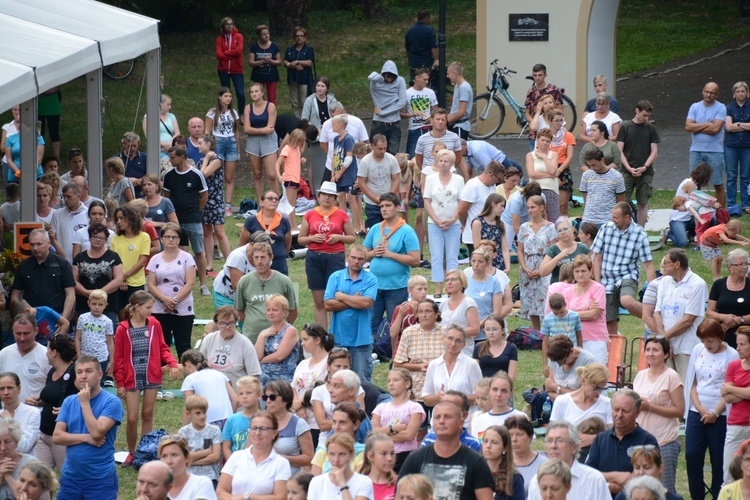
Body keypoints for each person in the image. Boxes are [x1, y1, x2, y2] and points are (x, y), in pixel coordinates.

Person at [114, 291, 180, 468]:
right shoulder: (122, 329)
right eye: (148, 307)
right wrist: (120, 383)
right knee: (133, 418)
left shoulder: (154, 324)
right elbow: (118, 358)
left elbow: (163, 347)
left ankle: (144, 450)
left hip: (151, 374)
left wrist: (172, 363)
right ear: (137, 307)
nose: (152, 311)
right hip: (131, 377)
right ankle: (131, 452)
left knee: (147, 414)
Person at [53, 356, 123, 499]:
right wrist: (86, 438)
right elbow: (57, 437)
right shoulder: (69, 401)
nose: (83, 376)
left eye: (88, 371)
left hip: (100, 479)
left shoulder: (112, 402)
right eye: (79, 372)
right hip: (70, 478)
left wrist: (85, 403)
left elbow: (97, 433)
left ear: (100, 375)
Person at [682, 319, 738, 498]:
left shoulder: (732, 355)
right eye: (704, 340)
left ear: (719, 338)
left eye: (710, 341)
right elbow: (692, 382)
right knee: (692, 456)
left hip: (721, 414)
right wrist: (699, 408)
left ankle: (717, 494)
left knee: (718, 460)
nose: (707, 345)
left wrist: (715, 412)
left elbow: (730, 387)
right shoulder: (698, 350)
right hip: (696, 412)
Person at [400, 400, 494, 499]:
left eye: (448, 416)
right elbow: (399, 495)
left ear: (461, 422)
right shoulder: (415, 459)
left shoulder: (476, 462)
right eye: (437, 417)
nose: (441, 421)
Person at [298, 181, 356, 328]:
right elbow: (300, 239)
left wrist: (339, 237)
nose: (327, 198)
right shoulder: (310, 214)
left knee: (334, 299)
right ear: (319, 196)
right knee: (319, 301)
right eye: (324, 194)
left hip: (335, 256)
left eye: (330, 195)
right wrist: (312, 238)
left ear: (335, 198)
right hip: (314, 258)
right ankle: (322, 335)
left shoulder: (341, 214)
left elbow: (352, 237)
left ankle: (335, 334)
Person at [592, 201, 656, 335]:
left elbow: (648, 265)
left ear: (627, 217)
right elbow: (597, 258)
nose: (612, 219)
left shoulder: (640, 235)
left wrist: (653, 290)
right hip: (606, 279)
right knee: (610, 323)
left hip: (627, 275)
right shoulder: (605, 229)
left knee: (627, 301)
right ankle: (613, 352)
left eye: (615, 217)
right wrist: (597, 283)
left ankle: (651, 317)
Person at [632, 336, 684, 493]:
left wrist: (650, 407)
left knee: (664, 489)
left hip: (664, 440)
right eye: (648, 350)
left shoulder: (671, 376)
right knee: (640, 488)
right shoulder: (640, 375)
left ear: (666, 354)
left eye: (655, 350)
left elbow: (679, 411)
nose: (650, 353)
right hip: (640, 440)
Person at [363, 193, 420, 336]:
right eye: (381, 206)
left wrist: (390, 255)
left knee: (395, 324)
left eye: (388, 206)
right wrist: (373, 253)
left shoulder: (406, 231)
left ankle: (394, 354)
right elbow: (363, 255)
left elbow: (415, 259)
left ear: (397, 207)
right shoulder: (376, 228)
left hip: (396, 287)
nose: (384, 209)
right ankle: (371, 352)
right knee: (370, 323)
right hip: (374, 285)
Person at [324, 244, 378, 382]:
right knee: (336, 379)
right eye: (353, 257)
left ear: (365, 260)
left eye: (360, 259)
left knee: (361, 380)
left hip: (362, 340)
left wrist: (342, 297)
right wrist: (355, 299)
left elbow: (366, 303)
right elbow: (328, 304)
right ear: (347, 257)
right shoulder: (335, 277)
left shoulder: (371, 279)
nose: (356, 261)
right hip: (338, 338)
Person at [651, 248, 707, 381]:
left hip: (686, 347)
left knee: (686, 387)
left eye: (666, 263)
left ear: (677, 264)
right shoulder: (664, 281)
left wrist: (663, 339)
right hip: (665, 345)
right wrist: (663, 339)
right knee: (666, 386)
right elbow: (657, 312)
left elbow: (688, 320)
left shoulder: (697, 284)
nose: (662, 266)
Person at [163, 146, 209, 295]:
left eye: (173, 157)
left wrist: (195, 210)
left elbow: (204, 197)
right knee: (177, 252)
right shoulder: (169, 175)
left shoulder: (196, 175)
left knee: (199, 251)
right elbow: (166, 197)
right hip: (174, 221)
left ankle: (203, 285)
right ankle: (179, 282)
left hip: (192, 219)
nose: (170, 160)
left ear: (182, 157)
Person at [146, 223, 196, 360]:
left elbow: (190, 283)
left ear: (179, 239)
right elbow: (151, 284)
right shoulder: (155, 259)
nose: (170, 240)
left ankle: (188, 372)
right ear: (162, 239)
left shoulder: (187, 258)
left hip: (183, 305)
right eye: (167, 236)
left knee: (183, 342)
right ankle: (159, 373)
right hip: (159, 306)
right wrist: (164, 299)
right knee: (161, 342)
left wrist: (175, 300)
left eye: (174, 237)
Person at [234, 242, 298, 343]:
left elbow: (293, 310)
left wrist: (283, 328)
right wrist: (251, 324)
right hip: (251, 338)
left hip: (278, 339)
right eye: (256, 257)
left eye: (263, 257)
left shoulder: (284, 281)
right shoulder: (244, 281)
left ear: (271, 257)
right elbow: (239, 310)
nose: (259, 261)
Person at [526, 421, 609, 499]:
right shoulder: (537, 481)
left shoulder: (594, 480)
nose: (553, 446)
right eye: (549, 441)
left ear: (574, 447)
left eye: (560, 441)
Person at [423, 149, 464, 296]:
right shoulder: (430, 179)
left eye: (446, 161)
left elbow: (461, 201)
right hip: (434, 223)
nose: (443, 164)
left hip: (453, 223)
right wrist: (435, 219)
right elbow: (427, 200)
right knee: (436, 255)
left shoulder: (458, 180)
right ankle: (438, 286)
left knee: (452, 256)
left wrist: (453, 219)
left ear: (452, 163)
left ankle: (451, 286)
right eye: (440, 161)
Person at [35, 334, 77, 469]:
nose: (46, 353)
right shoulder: (52, 371)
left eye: (47, 350)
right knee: (40, 481)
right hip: (44, 434)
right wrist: (37, 401)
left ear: (54, 352)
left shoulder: (75, 372)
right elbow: (51, 397)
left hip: (62, 437)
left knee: (68, 478)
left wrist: (71, 409)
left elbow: (88, 398)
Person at [371, 368, 426, 473]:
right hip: (382, 453)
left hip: (405, 456)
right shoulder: (380, 407)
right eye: (389, 381)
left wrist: (382, 433)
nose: (391, 384)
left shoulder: (414, 407)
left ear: (407, 384)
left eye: (396, 380)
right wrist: (393, 428)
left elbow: (409, 435)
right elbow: (373, 434)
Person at [517, 195, 557, 331]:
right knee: (530, 300)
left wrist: (542, 269)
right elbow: (520, 250)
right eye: (528, 208)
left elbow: (553, 250)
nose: (529, 210)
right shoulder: (524, 227)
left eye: (532, 207)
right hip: (527, 266)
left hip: (544, 264)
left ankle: (547, 330)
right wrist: (524, 267)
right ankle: (536, 331)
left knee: (545, 298)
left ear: (541, 208)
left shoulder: (550, 227)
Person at [618, 100, 660, 226]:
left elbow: (654, 151)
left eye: (648, 116)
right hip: (627, 171)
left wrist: (645, 167)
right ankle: (624, 227)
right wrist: (629, 168)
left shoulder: (650, 129)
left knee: (643, 202)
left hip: (646, 172)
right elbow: (619, 150)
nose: (645, 119)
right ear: (637, 110)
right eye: (644, 115)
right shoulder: (625, 126)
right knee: (623, 202)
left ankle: (641, 229)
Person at [686, 81, 728, 208]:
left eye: (712, 93)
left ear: (717, 95)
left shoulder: (721, 108)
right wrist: (708, 124)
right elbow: (688, 126)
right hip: (696, 150)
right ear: (703, 91)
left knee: (718, 183)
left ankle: (721, 214)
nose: (709, 95)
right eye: (707, 92)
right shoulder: (695, 107)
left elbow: (716, 129)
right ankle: (694, 211)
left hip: (715, 151)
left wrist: (697, 126)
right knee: (694, 183)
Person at [422, 324, 483, 410]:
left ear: (464, 345)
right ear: (442, 339)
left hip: (465, 420)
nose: (453, 344)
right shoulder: (433, 365)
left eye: (458, 341)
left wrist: (458, 397)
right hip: (440, 420)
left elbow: (479, 398)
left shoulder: (471, 364)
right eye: (450, 338)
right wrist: (438, 397)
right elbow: (426, 399)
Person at [292, 324, 335, 447]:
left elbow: (323, 389)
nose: (302, 343)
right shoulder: (303, 364)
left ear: (317, 340)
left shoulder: (329, 363)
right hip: (299, 419)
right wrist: (299, 408)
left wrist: (300, 404)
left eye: (305, 339)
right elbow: (293, 387)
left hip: (316, 422)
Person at [560, 254, 608, 362]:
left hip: (594, 338)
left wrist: (570, 312)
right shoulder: (567, 292)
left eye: (583, 271)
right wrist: (586, 310)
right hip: (572, 338)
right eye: (577, 271)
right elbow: (562, 315)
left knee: (595, 373)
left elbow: (594, 314)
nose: (580, 275)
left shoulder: (598, 289)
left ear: (590, 272)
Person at [200, 306, 262, 387]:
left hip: (236, 392)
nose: (227, 327)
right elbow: (200, 366)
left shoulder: (245, 343)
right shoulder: (209, 339)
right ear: (217, 323)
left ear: (236, 322)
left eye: (231, 323)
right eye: (223, 324)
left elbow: (254, 374)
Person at [263, 380, 315, 474]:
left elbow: (309, 458)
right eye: (265, 397)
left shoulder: (299, 424)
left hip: (289, 479)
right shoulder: (260, 422)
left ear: (286, 399)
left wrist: (282, 458)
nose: (268, 401)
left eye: (272, 397)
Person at [205, 89, 241, 219]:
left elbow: (236, 131)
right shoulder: (212, 113)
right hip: (217, 142)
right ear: (220, 97)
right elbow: (207, 131)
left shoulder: (233, 112)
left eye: (230, 96)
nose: (228, 98)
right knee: (215, 175)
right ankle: (214, 202)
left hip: (230, 142)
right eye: (225, 96)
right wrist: (209, 148)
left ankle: (228, 205)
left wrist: (238, 149)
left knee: (229, 177)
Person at [0, 313, 51, 402]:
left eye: (26, 333)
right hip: (7, 414)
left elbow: (54, 391)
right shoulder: (4, 354)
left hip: (36, 414)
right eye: (18, 334)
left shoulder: (47, 356)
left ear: (36, 331)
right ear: (12, 331)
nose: (22, 338)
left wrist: (39, 401)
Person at [212, 231, 270, 309]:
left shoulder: (267, 256)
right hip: (226, 295)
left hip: (249, 296)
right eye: (261, 247)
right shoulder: (238, 257)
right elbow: (237, 286)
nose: (265, 250)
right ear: (252, 244)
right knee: (227, 319)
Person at [721, 326, 750, 484]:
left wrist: (732, 389)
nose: (738, 348)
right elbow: (726, 397)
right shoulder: (734, 366)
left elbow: (728, 390)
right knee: (729, 472)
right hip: (735, 424)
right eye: (737, 344)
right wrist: (745, 392)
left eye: (742, 344)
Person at [240, 189, 292, 275]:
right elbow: (242, 244)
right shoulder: (251, 220)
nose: (274, 200)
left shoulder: (284, 221)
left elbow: (287, 245)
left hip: (279, 266)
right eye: (270, 198)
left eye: (276, 199)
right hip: (256, 266)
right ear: (262, 202)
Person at [181, 350, 236, 428]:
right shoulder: (219, 374)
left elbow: (189, 406)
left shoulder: (190, 379)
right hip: (229, 420)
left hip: (208, 421)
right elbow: (235, 399)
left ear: (187, 364)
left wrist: (183, 430)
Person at [706, 248, 750, 349]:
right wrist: (725, 318)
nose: (744, 267)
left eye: (746, 264)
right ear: (730, 267)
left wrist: (740, 319)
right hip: (723, 334)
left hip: (746, 337)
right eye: (740, 264)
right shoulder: (719, 284)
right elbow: (709, 312)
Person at [309, 432, 374, 499]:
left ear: (351, 454)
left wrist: (342, 484)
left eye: (342, 454)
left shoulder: (364, 482)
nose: (336, 460)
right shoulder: (317, 482)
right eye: (332, 454)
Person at [110, 204, 151, 310]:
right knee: (121, 312)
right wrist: (121, 280)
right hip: (118, 282)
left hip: (136, 282)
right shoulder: (116, 238)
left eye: (122, 218)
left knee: (136, 311)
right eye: (117, 219)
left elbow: (142, 261)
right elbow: (114, 261)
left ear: (131, 218)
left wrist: (124, 277)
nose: (119, 222)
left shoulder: (144, 237)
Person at [244, 82, 280, 203]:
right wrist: (262, 130)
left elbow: (270, 129)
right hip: (253, 143)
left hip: (268, 142)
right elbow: (246, 129)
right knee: (257, 173)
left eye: (256, 91)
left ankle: (276, 200)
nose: (254, 94)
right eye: (252, 92)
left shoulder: (270, 106)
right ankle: (261, 202)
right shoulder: (248, 108)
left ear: (262, 93)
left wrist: (255, 130)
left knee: (272, 174)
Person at [458, 161, 505, 253]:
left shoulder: (492, 187)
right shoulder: (473, 185)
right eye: (498, 179)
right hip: (474, 235)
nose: (498, 182)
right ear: (491, 175)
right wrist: (466, 225)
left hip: (489, 233)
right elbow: (461, 211)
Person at [177, 394, 222, 486]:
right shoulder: (183, 432)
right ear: (188, 414)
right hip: (189, 476)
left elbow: (216, 456)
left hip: (210, 476)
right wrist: (207, 452)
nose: (202, 416)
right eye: (198, 413)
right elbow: (183, 457)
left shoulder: (214, 430)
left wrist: (192, 461)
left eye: (204, 412)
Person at [358, 136, 401, 229]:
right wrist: (374, 198)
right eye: (380, 149)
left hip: (388, 201)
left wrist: (390, 196)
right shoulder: (365, 161)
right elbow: (361, 182)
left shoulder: (391, 159)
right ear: (373, 146)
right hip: (371, 202)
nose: (383, 151)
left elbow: (397, 178)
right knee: (373, 229)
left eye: (385, 148)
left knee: (390, 228)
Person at [256, 295, 300, 385]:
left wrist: (262, 361)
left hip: (283, 375)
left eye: (274, 310)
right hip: (264, 374)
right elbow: (257, 356)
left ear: (284, 312)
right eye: (268, 310)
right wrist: (261, 336)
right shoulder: (266, 332)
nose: (270, 313)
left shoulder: (290, 330)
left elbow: (279, 356)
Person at [469, 372, 526, 441]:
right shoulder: (480, 420)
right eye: (495, 390)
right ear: (489, 391)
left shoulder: (520, 417)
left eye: (504, 391)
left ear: (511, 393)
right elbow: (476, 448)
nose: (499, 394)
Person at [158, 434, 216, 500]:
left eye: (174, 455)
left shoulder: (201, 483)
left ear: (187, 458)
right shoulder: (156, 488)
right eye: (164, 456)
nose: (169, 461)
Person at [614, 447, 684, 500]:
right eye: (637, 468)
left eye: (647, 467)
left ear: (660, 468)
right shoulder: (622, 497)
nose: (641, 473)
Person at [580, 147, 626, 226]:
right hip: (588, 219)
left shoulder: (616, 176)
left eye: (594, 165)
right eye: (589, 165)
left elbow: (620, 202)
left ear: (602, 160)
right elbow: (585, 197)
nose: (592, 168)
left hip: (608, 220)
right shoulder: (586, 175)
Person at [368, 61, 407, 155]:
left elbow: (401, 103)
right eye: (387, 77)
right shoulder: (376, 83)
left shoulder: (400, 81)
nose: (389, 80)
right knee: (375, 153)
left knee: (393, 155)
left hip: (394, 124)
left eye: (392, 77)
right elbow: (370, 77)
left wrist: (382, 112)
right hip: (379, 124)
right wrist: (378, 77)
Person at [438, 269, 480, 355]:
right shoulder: (443, 304)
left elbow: (475, 329)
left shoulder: (468, 303)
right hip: (446, 351)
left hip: (464, 351)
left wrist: (453, 333)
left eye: (453, 279)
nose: (449, 282)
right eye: (447, 280)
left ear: (462, 283)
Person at [504, 416, 548, 497]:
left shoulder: (544, 464)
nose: (514, 439)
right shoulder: (502, 462)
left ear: (530, 437)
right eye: (510, 435)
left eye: (519, 434)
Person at [524, 64, 563, 149]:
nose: (537, 78)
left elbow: (560, 110)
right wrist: (535, 122)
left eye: (540, 75)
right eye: (535, 75)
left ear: (545, 75)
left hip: (551, 131)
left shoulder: (553, 89)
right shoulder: (531, 91)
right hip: (535, 133)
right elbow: (527, 113)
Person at [725, 81, 750, 215]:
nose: (740, 94)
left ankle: (746, 204)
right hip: (731, 146)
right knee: (731, 176)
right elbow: (728, 127)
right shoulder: (729, 107)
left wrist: (738, 124)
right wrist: (745, 125)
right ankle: (732, 203)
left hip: (747, 146)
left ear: (747, 92)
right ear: (734, 94)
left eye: (743, 91)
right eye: (738, 91)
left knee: (746, 176)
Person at [0, 372, 40, 454]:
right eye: (2, 389)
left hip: (25, 464)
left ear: (19, 389)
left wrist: (9, 421)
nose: (6, 392)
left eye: (10, 388)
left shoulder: (32, 412)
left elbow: (25, 447)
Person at [540, 218, 589, 284]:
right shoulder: (552, 249)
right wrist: (558, 257)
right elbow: (542, 272)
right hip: (559, 289)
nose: (563, 232)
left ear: (572, 230)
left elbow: (591, 269)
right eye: (560, 231)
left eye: (565, 229)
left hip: (579, 288)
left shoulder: (582, 248)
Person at [0, 419, 41, 499]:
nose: (2, 448)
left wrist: (8, 476)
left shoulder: (31, 463)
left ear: (17, 442)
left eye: (7, 442)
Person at [222, 375, 262, 457]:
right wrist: (232, 465)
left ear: (259, 395)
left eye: (249, 393)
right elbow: (226, 447)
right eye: (241, 393)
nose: (244, 396)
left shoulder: (265, 419)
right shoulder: (232, 419)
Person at [402, 67, 438, 159]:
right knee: (411, 157)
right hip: (415, 129)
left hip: (429, 128)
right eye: (424, 79)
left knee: (431, 156)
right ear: (417, 78)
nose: (427, 82)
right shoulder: (407, 93)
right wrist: (412, 115)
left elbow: (436, 111)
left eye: (427, 79)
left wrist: (431, 119)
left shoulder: (430, 92)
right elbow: (400, 114)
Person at [481, 425, 525, 500]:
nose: (488, 446)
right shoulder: (474, 473)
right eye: (485, 441)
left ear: (505, 448)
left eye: (494, 442)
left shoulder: (514, 478)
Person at [50, 182, 89, 264]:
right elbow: (54, 239)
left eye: (69, 196)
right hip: (63, 263)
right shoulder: (57, 215)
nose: (66, 200)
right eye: (64, 197)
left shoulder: (88, 214)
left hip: (84, 264)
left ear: (79, 196)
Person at [470, 194, 509, 273]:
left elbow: (505, 249)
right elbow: (477, 247)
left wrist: (508, 266)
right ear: (493, 204)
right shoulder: (478, 222)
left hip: (499, 262)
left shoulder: (501, 224)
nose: (503, 209)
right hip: (483, 262)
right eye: (501, 206)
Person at [215, 17, 245, 117]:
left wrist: (226, 53)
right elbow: (219, 55)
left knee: (240, 92)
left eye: (231, 24)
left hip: (237, 69)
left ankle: (242, 114)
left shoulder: (239, 37)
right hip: (223, 70)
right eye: (227, 24)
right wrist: (231, 54)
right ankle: (227, 112)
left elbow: (239, 51)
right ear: (223, 26)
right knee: (226, 93)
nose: (230, 26)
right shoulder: (219, 39)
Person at [284, 26, 315, 117]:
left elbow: (309, 62)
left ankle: (304, 121)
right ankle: (297, 120)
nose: (299, 38)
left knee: (304, 101)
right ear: (294, 37)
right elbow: (285, 61)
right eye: (297, 36)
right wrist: (291, 65)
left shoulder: (309, 49)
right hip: (292, 78)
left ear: (305, 37)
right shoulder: (290, 49)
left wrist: (297, 62)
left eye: (301, 36)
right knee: (294, 102)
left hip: (304, 79)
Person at [248, 24, 282, 105]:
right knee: (259, 97)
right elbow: (250, 62)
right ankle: (260, 114)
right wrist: (262, 61)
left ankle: (273, 114)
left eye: (268, 34)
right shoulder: (254, 47)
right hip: (258, 75)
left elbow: (279, 62)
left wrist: (270, 61)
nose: (266, 36)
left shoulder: (274, 46)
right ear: (259, 36)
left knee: (272, 97)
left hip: (271, 75)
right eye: (264, 34)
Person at [360, 432, 397, 500]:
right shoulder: (360, 483)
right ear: (370, 456)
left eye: (392, 453)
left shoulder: (399, 483)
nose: (390, 458)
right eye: (384, 454)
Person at [143, 94, 180, 161]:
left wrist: (170, 144)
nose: (170, 107)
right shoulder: (149, 116)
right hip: (157, 150)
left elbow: (177, 133)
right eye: (168, 104)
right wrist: (164, 145)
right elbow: (148, 135)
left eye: (170, 105)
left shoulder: (171, 116)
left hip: (171, 149)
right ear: (160, 104)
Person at [405, 10, 438, 83]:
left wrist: (410, 61)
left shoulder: (409, 31)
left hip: (414, 64)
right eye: (429, 19)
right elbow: (433, 47)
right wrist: (436, 61)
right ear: (426, 18)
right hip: (426, 63)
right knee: (430, 84)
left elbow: (408, 50)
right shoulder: (430, 30)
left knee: (415, 85)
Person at [446, 61, 473, 139]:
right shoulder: (457, 86)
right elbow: (455, 107)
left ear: (455, 73)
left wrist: (448, 121)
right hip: (455, 124)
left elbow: (462, 111)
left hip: (460, 125)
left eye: (448, 73)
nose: (447, 76)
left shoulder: (464, 87)